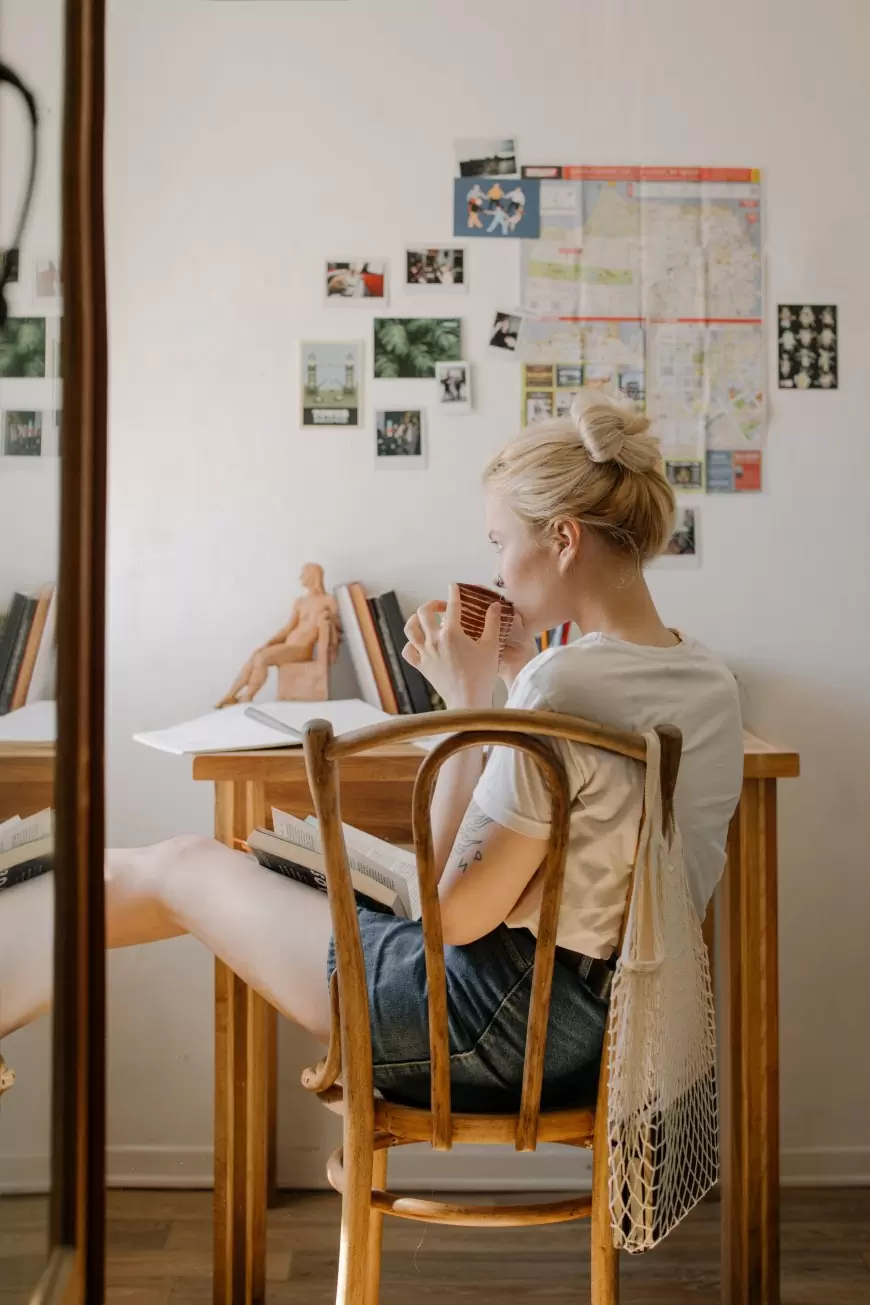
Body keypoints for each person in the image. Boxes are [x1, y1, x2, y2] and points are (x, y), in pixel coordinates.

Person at [0, 393, 742, 1114]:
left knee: (180, 866)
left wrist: (465, 704)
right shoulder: (705, 679)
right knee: (215, 870)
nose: (496, 572)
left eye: (499, 543)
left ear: (563, 538)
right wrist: (511, 680)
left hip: (494, 1021)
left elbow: (452, 915)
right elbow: (591, 854)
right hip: (614, 1029)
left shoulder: (561, 683)